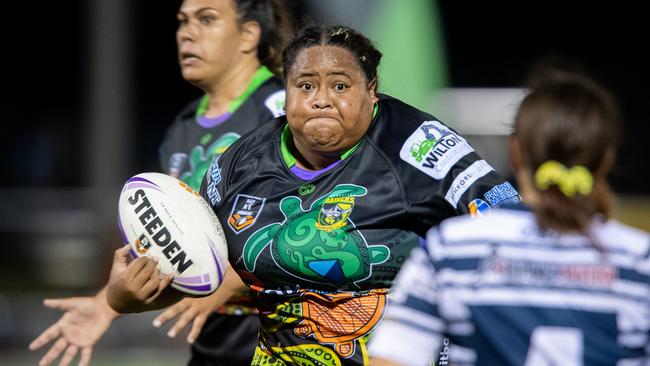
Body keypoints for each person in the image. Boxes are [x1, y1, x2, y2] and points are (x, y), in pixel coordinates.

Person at [106, 25, 521, 366]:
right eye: (305, 86)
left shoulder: (420, 147)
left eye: (340, 85)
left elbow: (515, 224)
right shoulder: (235, 167)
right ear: (285, 92)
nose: (322, 99)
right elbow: (202, 268)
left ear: (371, 90)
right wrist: (125, 297)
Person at [28, 1, 292, 365]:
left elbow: (303, 219)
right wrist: (107, 304)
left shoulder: (285, 110)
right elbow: (177, 242)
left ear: (249, 34)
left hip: (288, 335)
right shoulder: (182, 130)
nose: (187, 32)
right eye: (182, 21)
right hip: (215, 339)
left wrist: (224, 282)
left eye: (207, 19)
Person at [368, 74, 650, 365]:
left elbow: (392, 358)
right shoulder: (638, 261)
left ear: (515, 151)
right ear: (607, 157)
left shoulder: (450, 249)